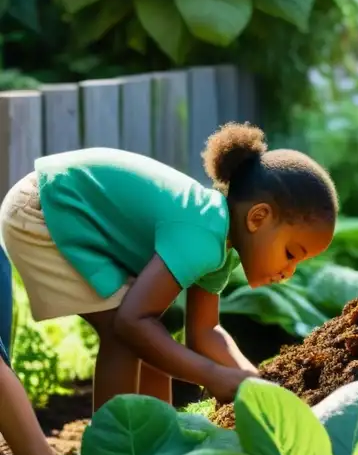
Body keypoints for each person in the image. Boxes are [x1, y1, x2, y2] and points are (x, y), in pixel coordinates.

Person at [0, 122, 338, 412]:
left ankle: (156, 443)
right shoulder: (203, 233)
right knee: (126, 333)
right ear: (258, 217)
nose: (289, 271)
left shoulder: (220, 245)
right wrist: (211, 375)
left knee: (152, 341)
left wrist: (253, 380)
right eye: (292, 253)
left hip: (69, 211)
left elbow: (206, 333)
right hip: (45, 208)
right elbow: (132, 324)